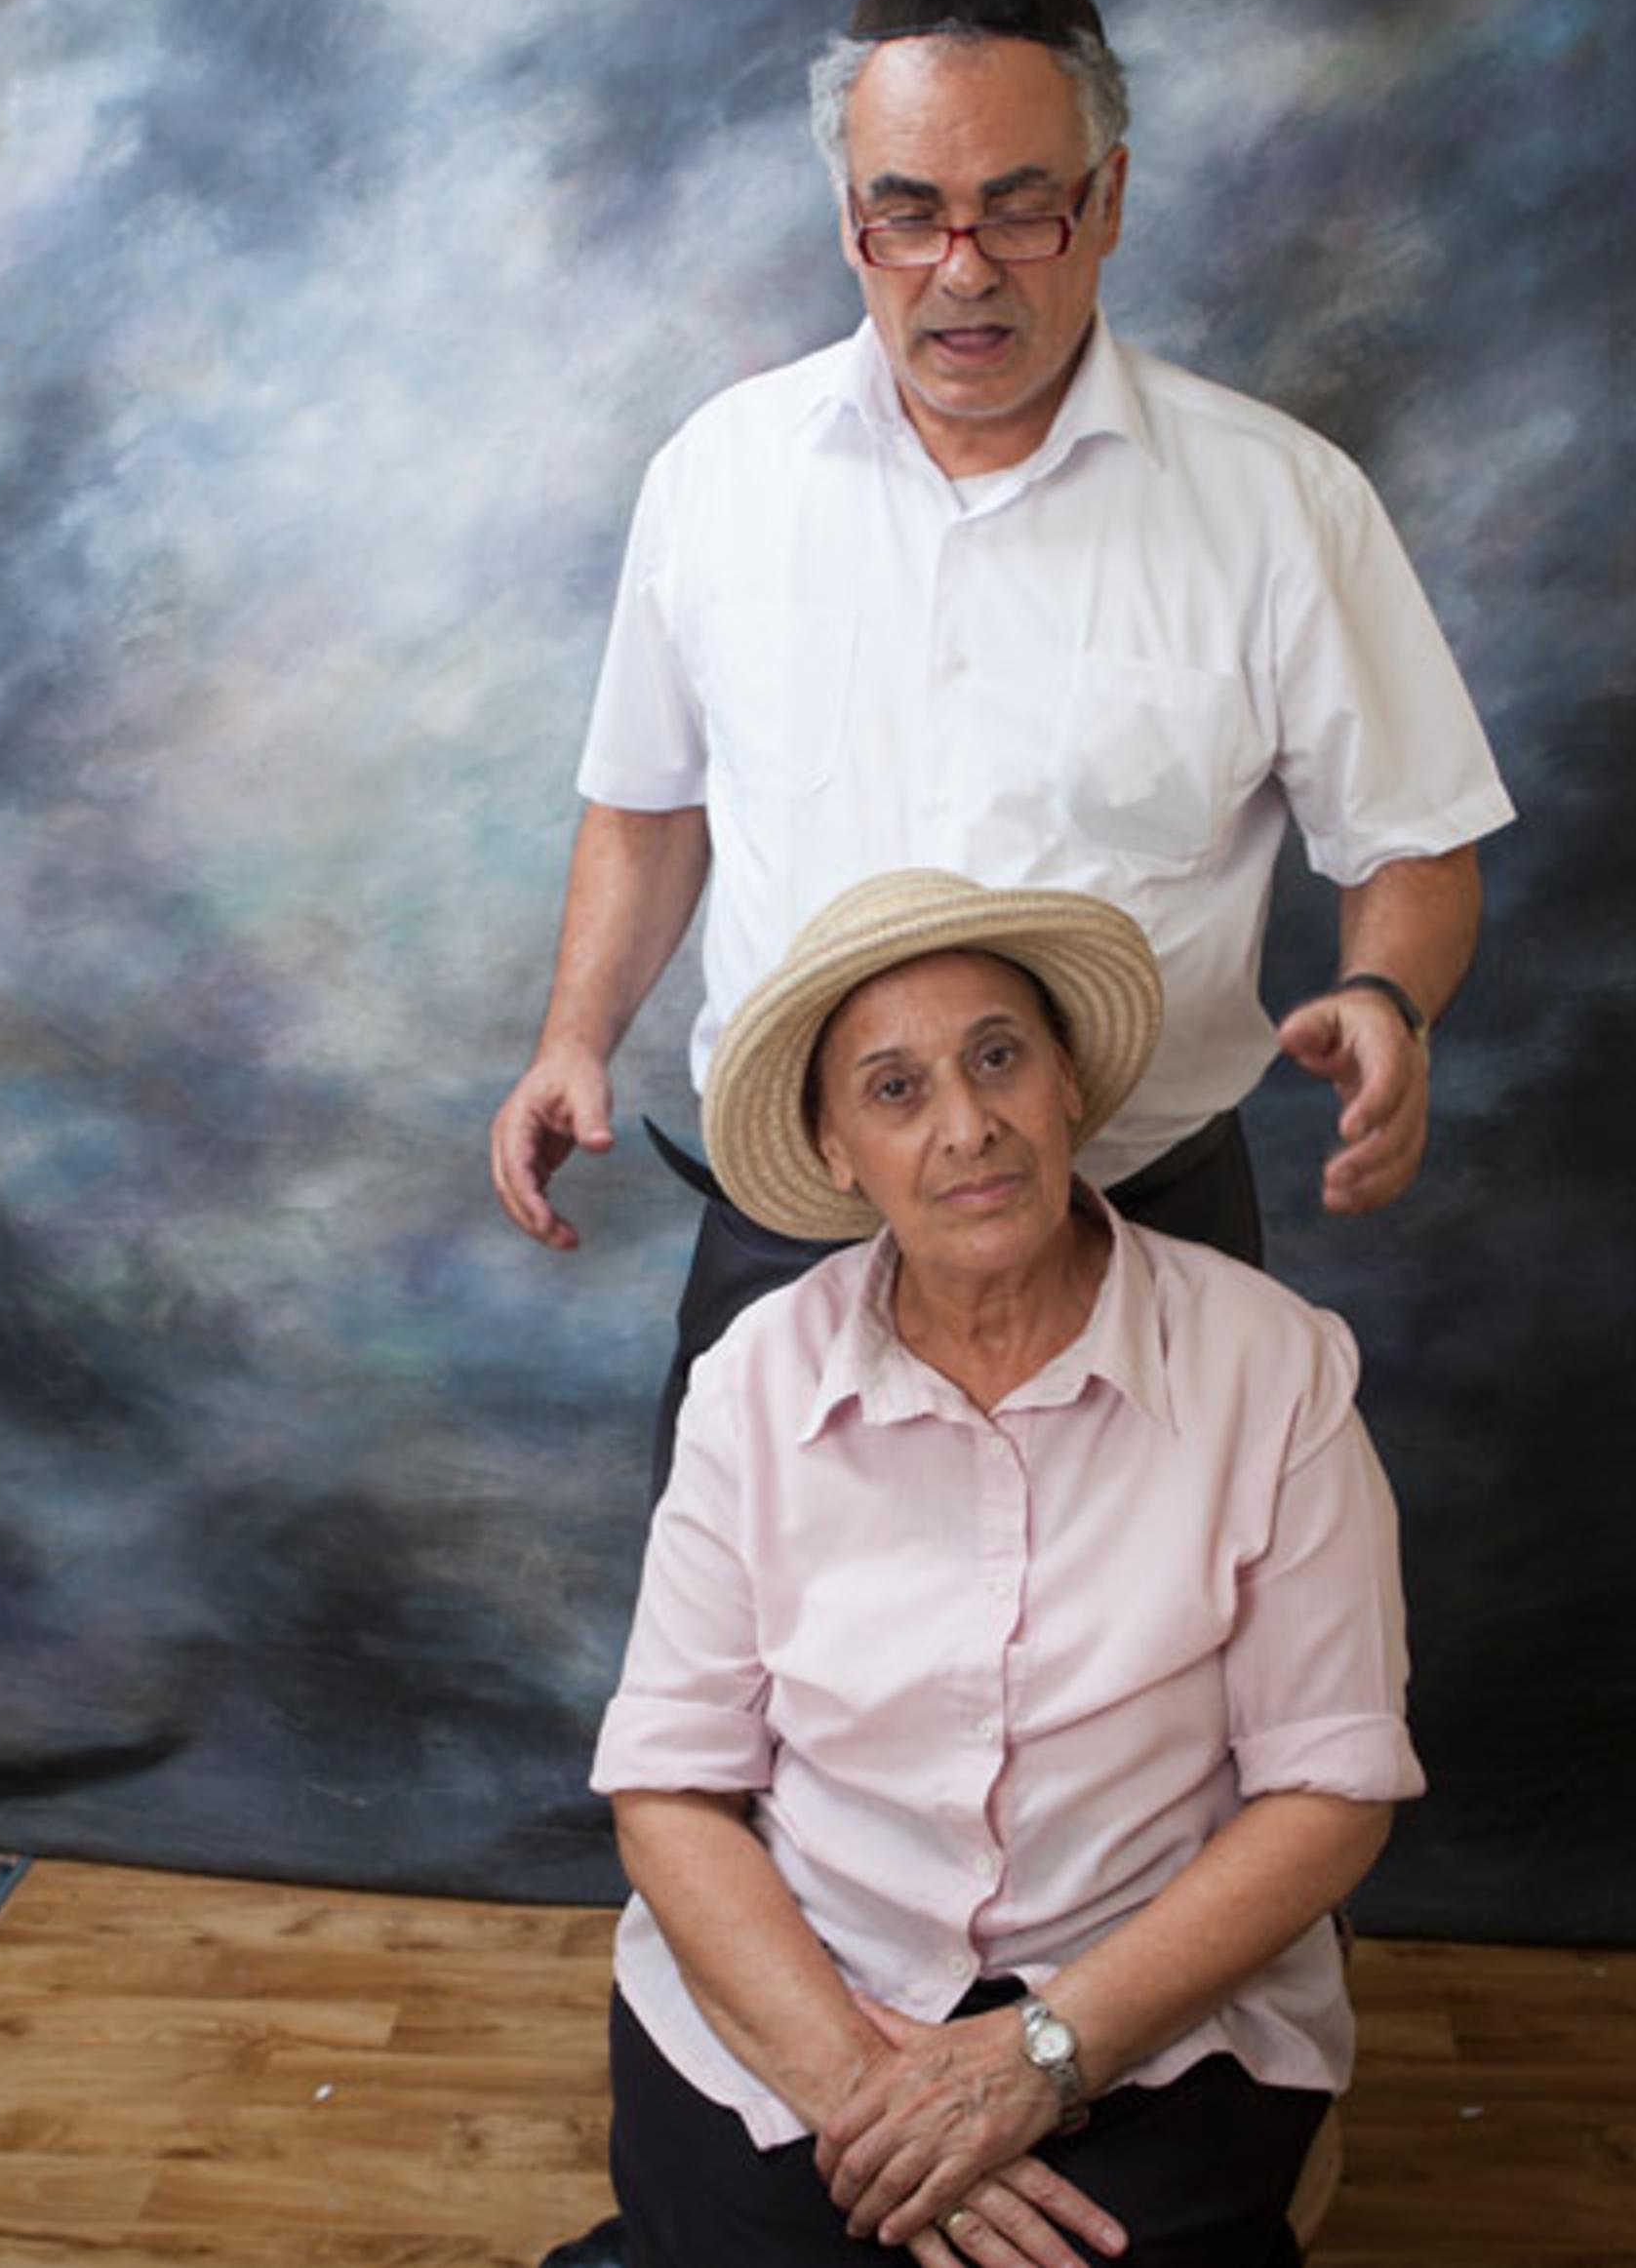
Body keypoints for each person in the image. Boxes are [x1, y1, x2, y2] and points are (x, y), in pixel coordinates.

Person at [486, 0, 1515, 1468]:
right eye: (908, 212)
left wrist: (1387, 1000)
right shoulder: (718, 473)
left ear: (1106, 202)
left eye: (1020, 207)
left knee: (1176, 1675)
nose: (961, 266)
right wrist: (576, 1035)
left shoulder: (1278, 500)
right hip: (796, 1230)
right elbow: (650, 801)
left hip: (1146, 1223)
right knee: (760, 1684)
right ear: (851, 221)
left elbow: (1415, 844)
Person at [571, 869, 1424, 2268]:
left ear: (1067, 1085)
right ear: (837, 1150)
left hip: (1147, 2006)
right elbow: (669, 1792)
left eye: (997, 1057)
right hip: (809, 1984)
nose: (966, 1126)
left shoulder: (1273, 1368)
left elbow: (1329, 1793)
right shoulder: (752, 1386)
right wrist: (876, 2099)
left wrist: (1037, 2058)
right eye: (894, 1090)